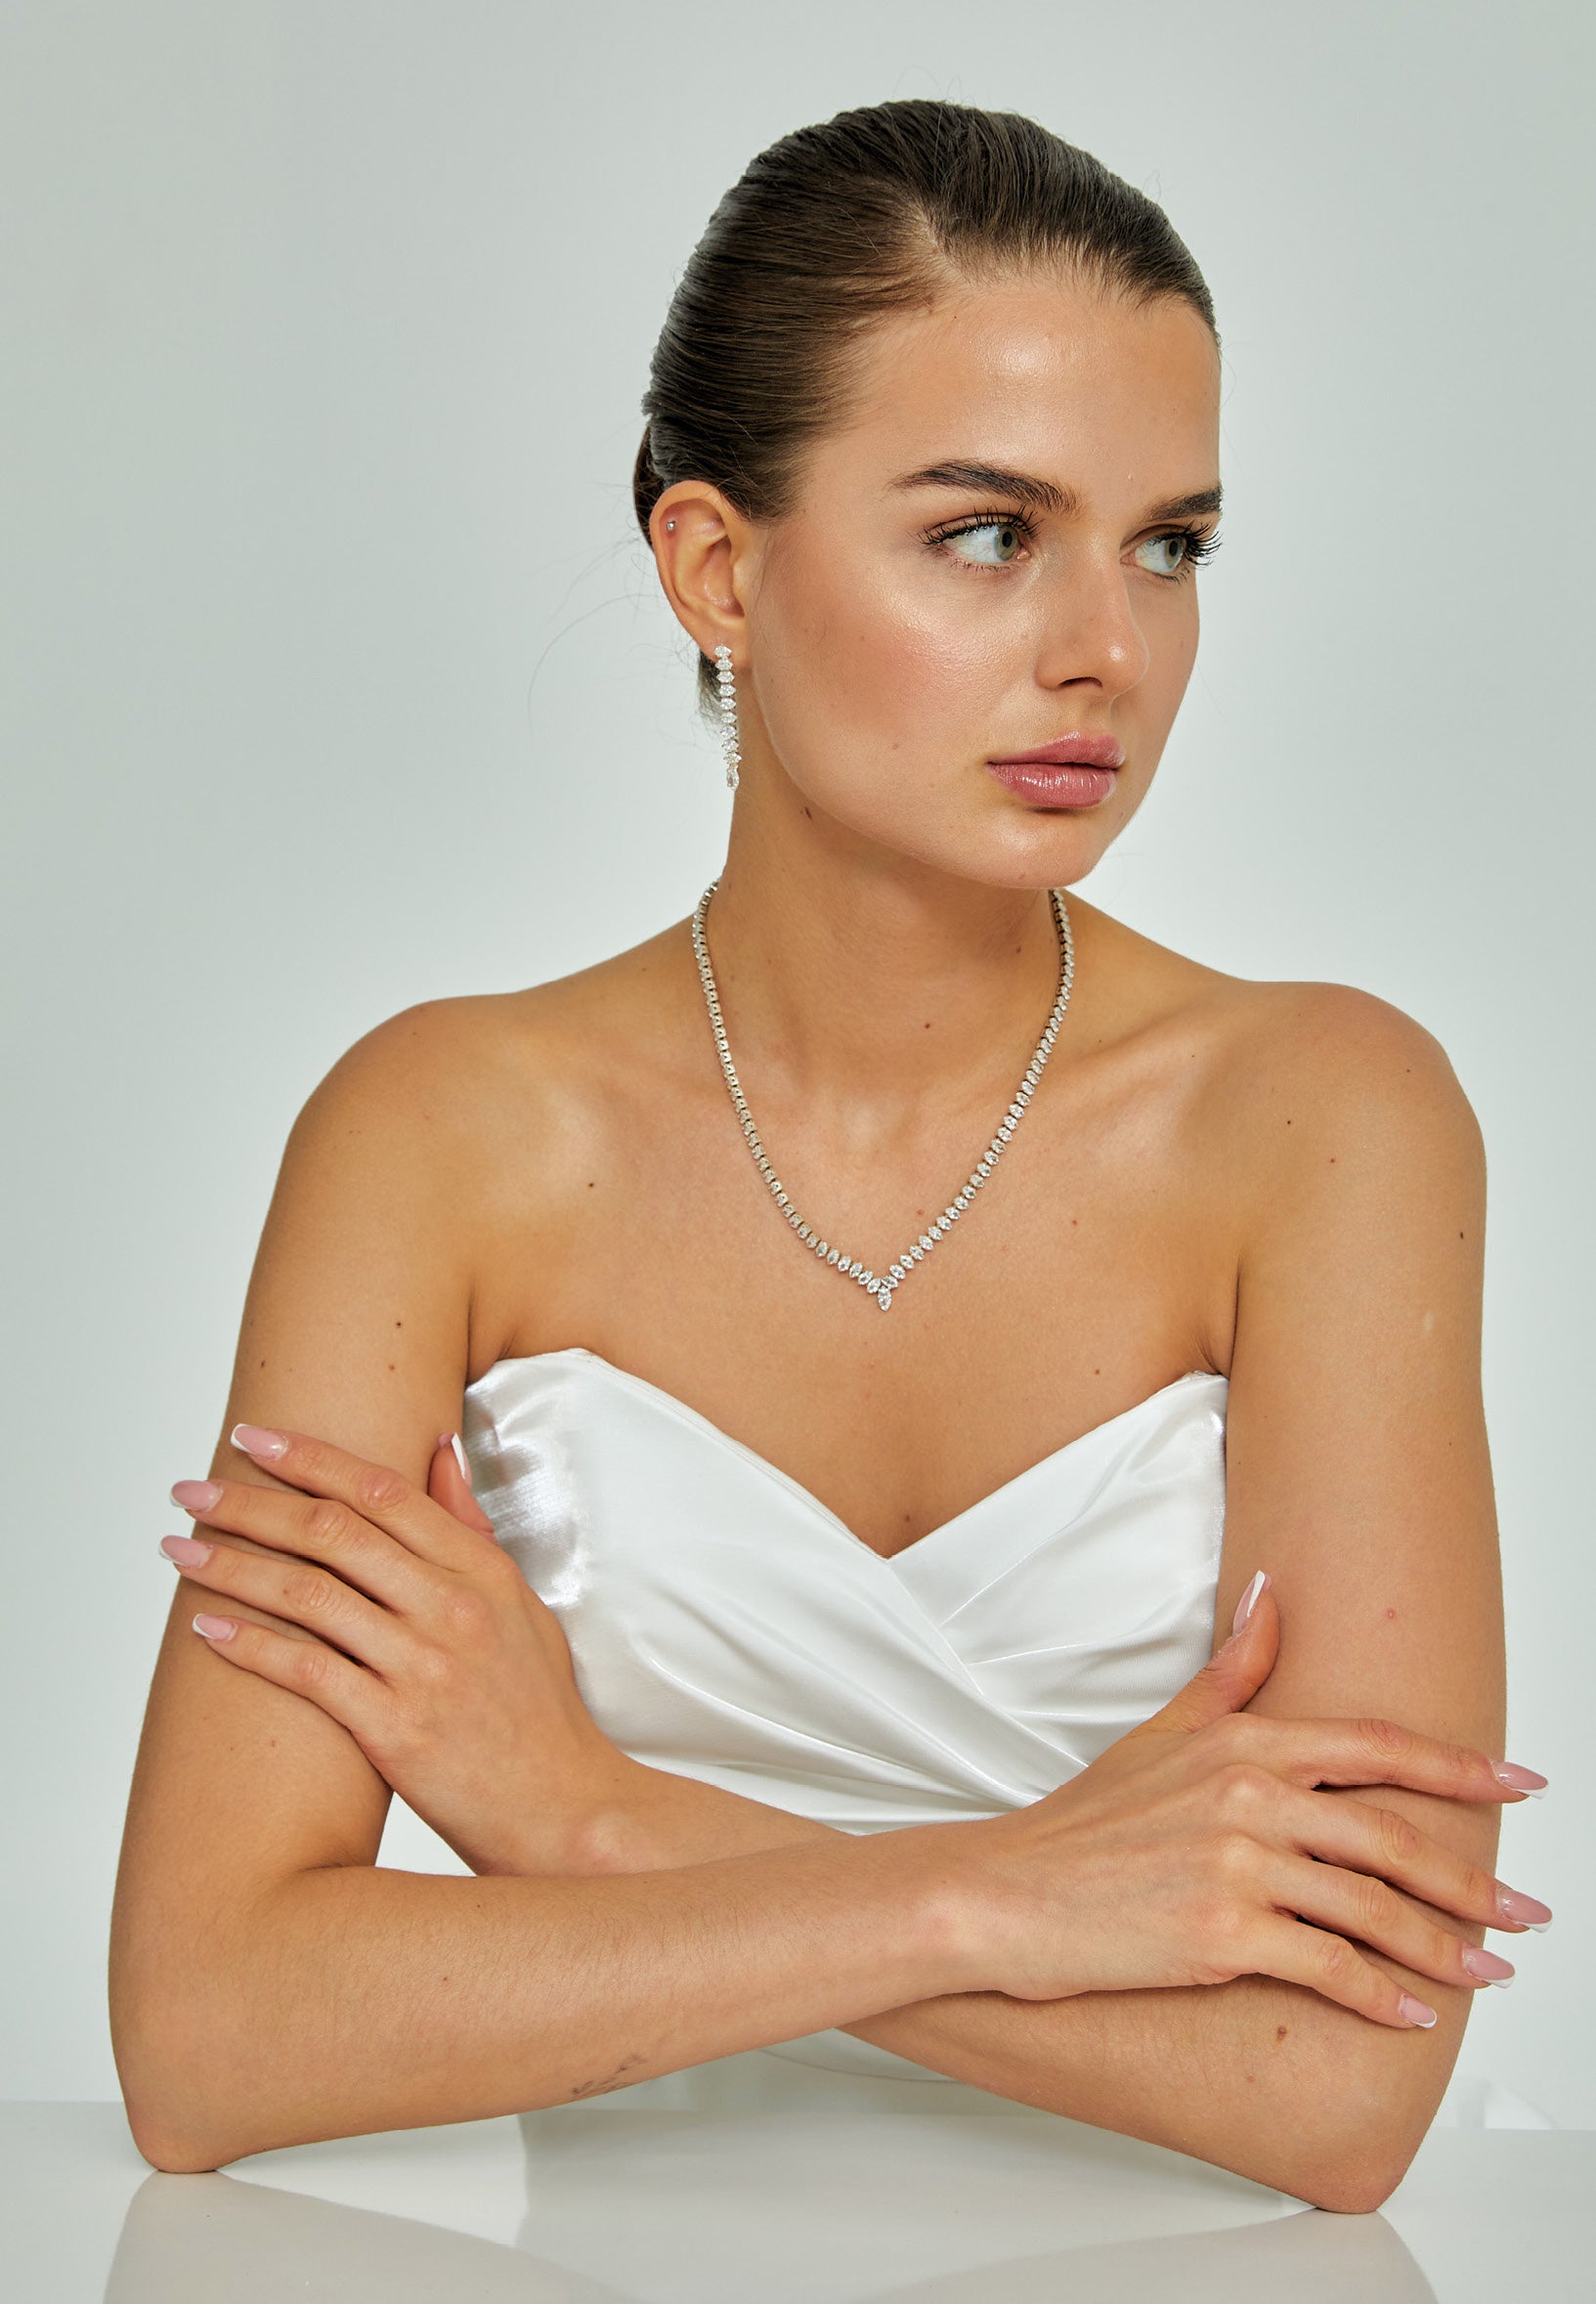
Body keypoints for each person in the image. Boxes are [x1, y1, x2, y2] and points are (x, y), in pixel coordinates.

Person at [108, 99, 1549, 2211]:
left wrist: (593, 1819)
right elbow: (208, 2034)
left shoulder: (1322, 1119)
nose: (1107, 647)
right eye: (987, 533)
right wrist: (992, 1899)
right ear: (717, 565)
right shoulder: (439, 1138)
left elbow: (1332, 2095)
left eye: (1169, 544)